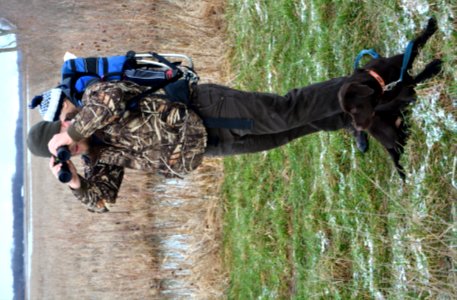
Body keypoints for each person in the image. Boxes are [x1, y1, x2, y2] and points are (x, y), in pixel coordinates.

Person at [27, 78, 363, 212]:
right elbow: (102, 200)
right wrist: (73, 179)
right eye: (63, 152)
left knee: (285, 112)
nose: (70, 149)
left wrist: (69, 138)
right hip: (206, 145)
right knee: (283, 133)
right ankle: (352, 117)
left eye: (62, 141)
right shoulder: (98, 157)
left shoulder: (92, 101)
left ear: (64, 126)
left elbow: (113, 100)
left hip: (205, 110)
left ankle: (364, 86)